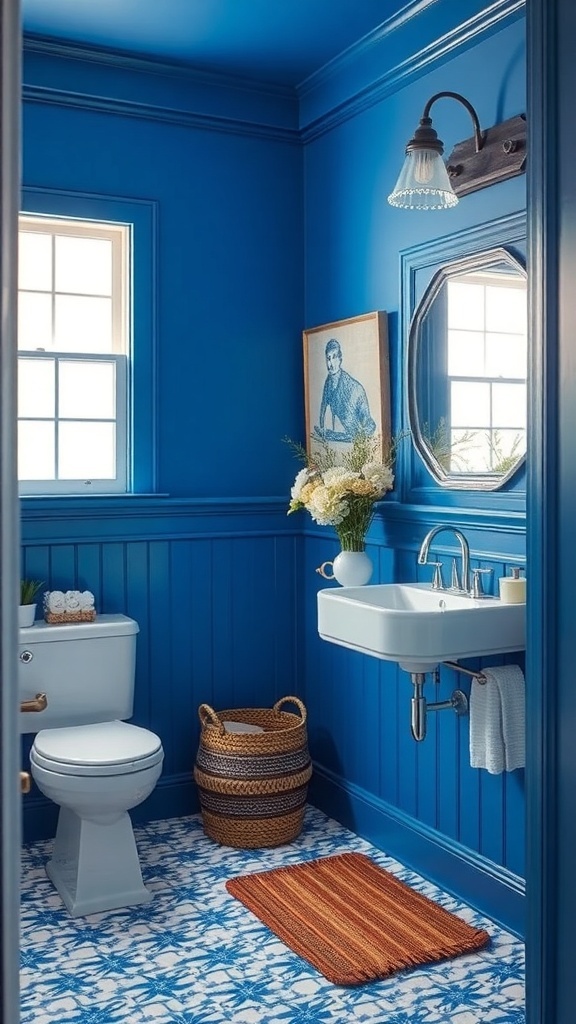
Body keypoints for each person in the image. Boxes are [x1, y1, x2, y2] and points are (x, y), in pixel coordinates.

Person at [314, 338, 376, 442]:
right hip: (331, 442)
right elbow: (323, 413)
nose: (331, 363)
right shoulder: (328, 383)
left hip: (351, 442)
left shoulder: (355, 389)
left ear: (340, 360)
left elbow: (369, 425)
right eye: (328, 358)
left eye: (334, 358)